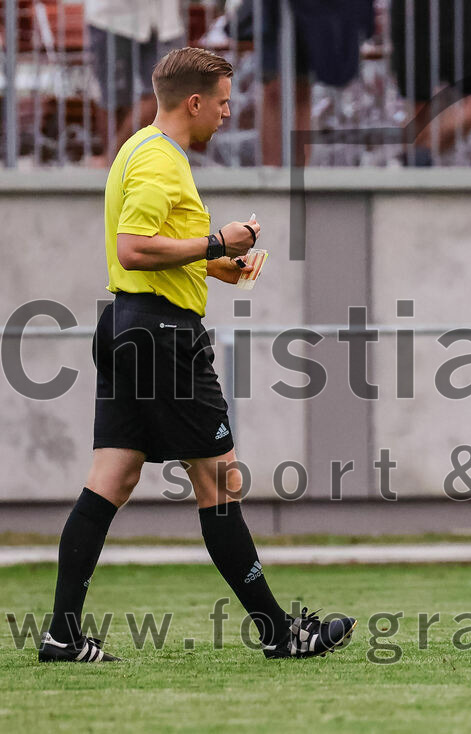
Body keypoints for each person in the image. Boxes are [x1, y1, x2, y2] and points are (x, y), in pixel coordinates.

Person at [38, 47, 356, 663]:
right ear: (193, 102)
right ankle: (281, 634)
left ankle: (61, 635)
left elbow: (151, 250)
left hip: (128, 324)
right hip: (163, 336)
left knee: (113, 478)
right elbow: (133, 248)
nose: (227, 112)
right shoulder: (161, 160)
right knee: (219, 480)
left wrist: (216, 266)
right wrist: (217, 240)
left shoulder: (138, 147)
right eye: (222, 102)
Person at [260, 0, 374, 165]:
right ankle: (271, 173)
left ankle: (298, 173)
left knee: (302, 88)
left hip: (319, 11)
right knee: (274, 88)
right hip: (276, 10)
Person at [390, 0, 471, 165]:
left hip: (456, 22)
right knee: (419, 112)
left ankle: (417, 160)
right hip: (417, 20)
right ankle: (416, 162)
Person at [85, 0, 186, 163]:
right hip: (112, 19)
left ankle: (114, 159)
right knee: (113, 101)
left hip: (165, 23)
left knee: (167, 94)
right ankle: (119, 166)